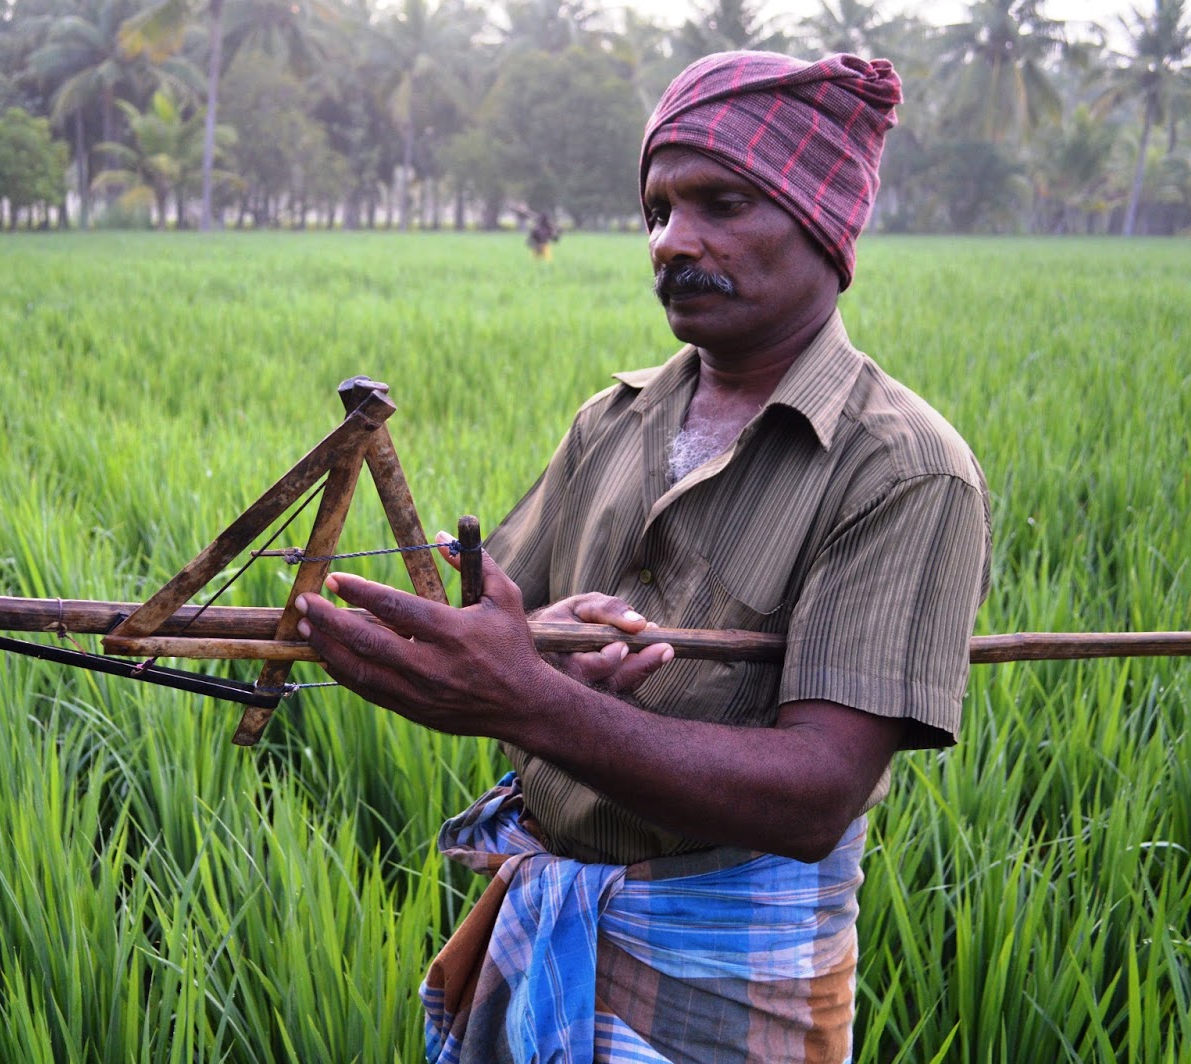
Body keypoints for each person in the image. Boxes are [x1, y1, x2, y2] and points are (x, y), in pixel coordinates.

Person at [296, 50, 991, 1063]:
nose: (674, 240)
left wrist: (530, 698)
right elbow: (509, 626)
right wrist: (522, 645)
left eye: (721, 202)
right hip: (547, 912)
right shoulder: (611, 421)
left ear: (822, 223)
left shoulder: (903, 468)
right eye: (657, 208)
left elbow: (813, 791)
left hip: (729, 980)